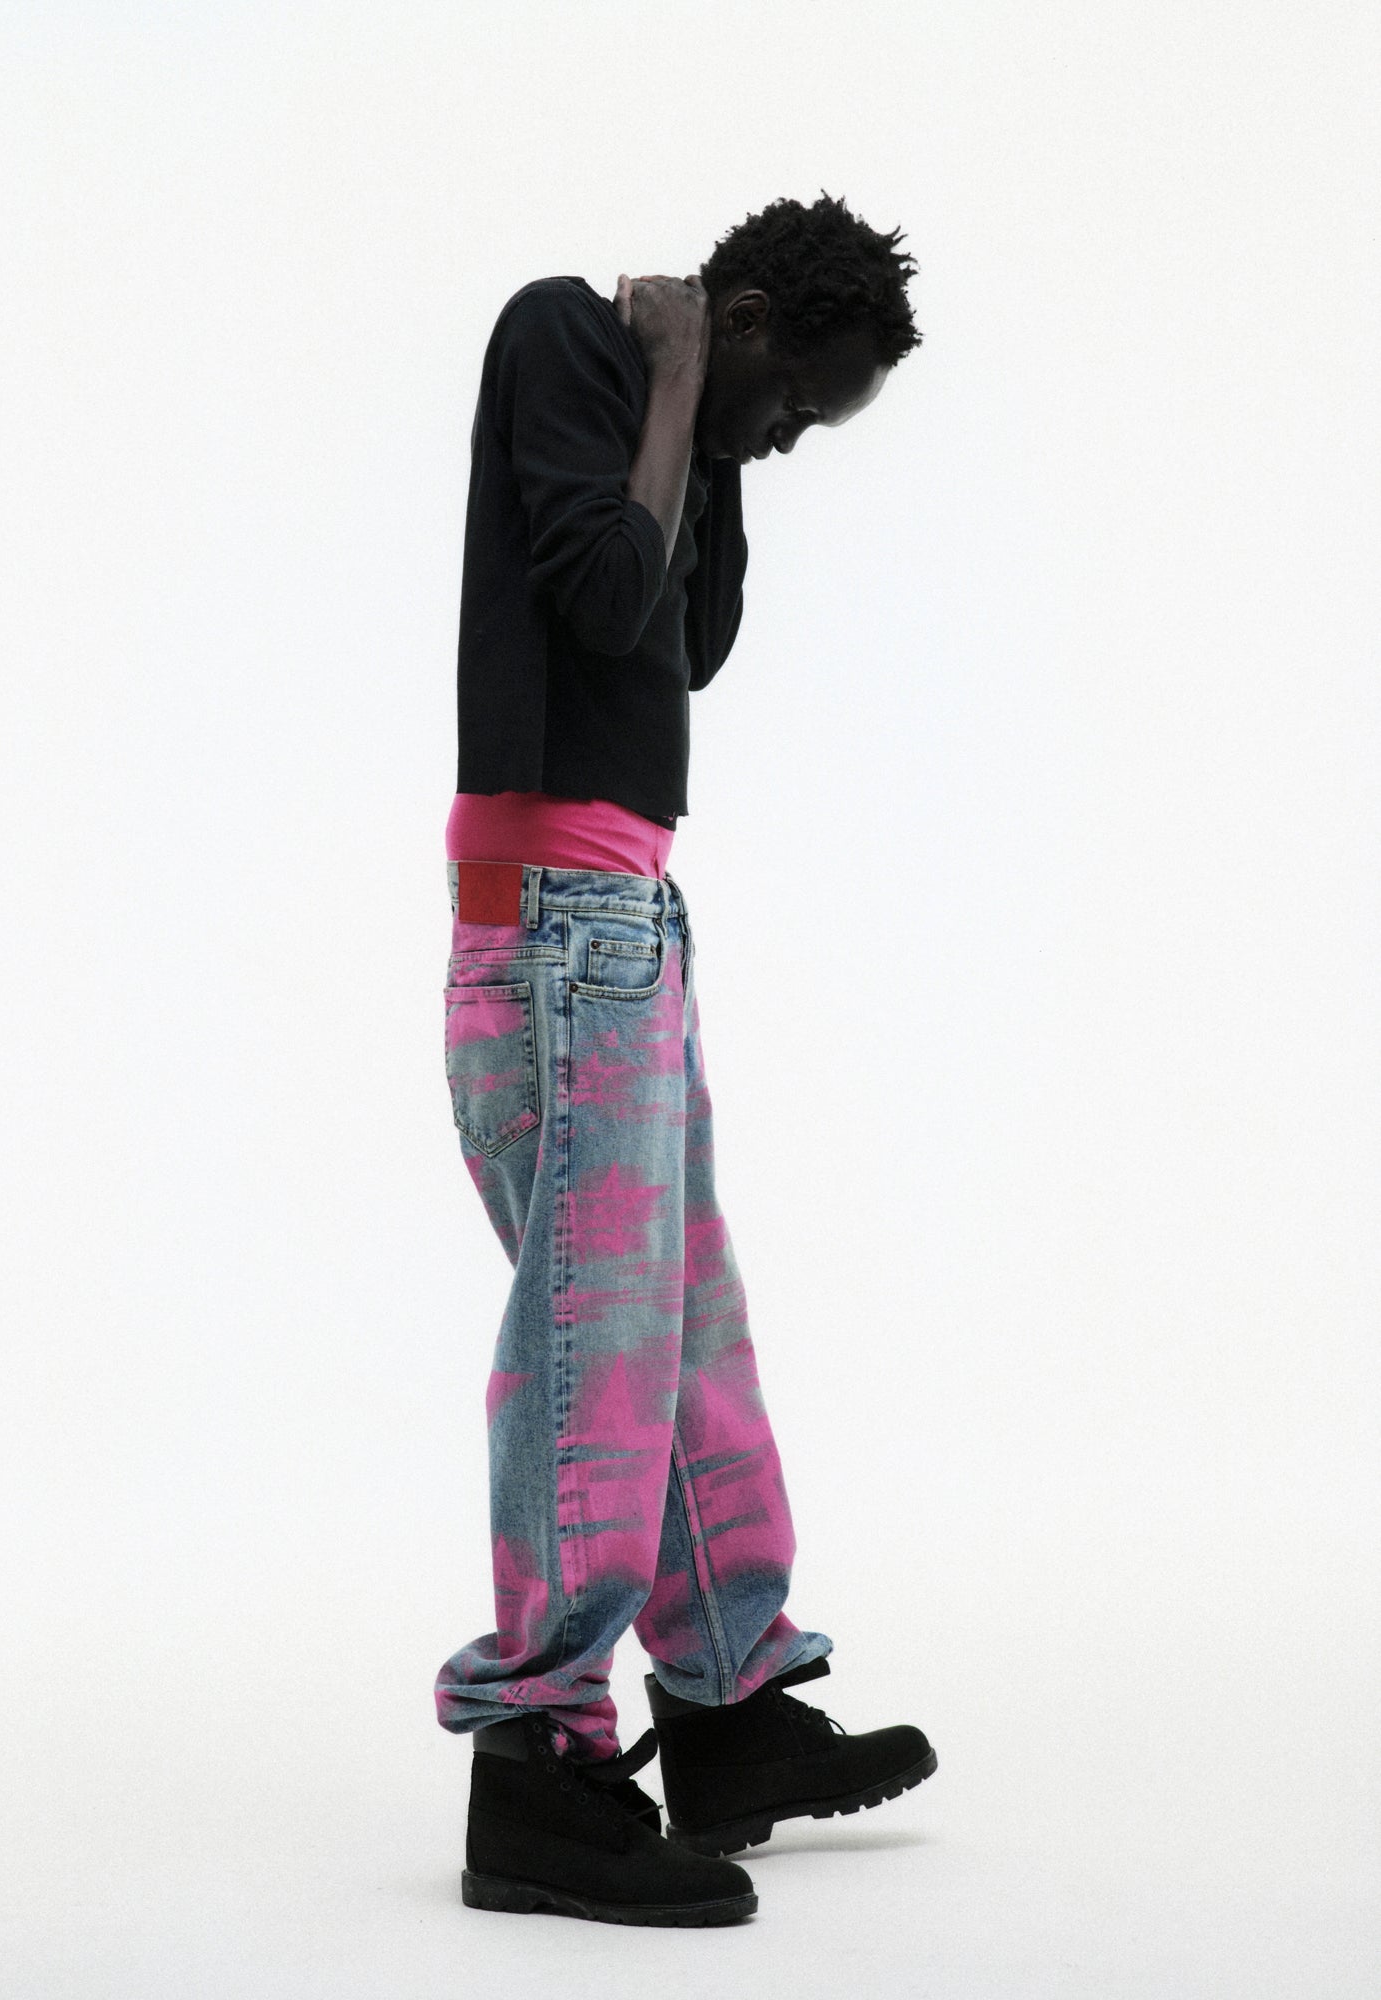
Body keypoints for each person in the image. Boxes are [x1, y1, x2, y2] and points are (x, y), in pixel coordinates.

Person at [438, 192, 933, 1927]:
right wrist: (672, 385)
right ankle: (539, 1765)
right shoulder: (563, 338)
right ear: (740, 323)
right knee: (596, 1352)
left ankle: (728, 1707)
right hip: (553, 925)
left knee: (683, 1335)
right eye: (789, 403)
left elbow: (685, 638)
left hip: (625, 917)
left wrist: (711, 438)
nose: (785, 440)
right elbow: (599, 597)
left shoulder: (686, 435)